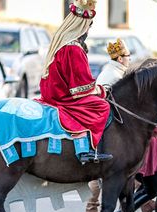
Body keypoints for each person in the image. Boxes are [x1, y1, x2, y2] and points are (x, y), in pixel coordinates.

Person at [37, 0, 112, 163]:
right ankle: (88, 148)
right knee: (102, 106)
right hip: (63, 98)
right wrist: (102, 90)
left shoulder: (61, 43)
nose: (88, 31)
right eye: (89, 26)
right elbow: (81, 88)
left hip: (52, 93)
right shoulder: (73, 49)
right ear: (82, 25)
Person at [83, 38, 131, 212]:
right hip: (104, 126)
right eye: (127, 56)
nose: (129, 59)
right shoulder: (115, 75)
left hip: (105, 123)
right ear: (120, 58)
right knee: (102, 172)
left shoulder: (114, 71)